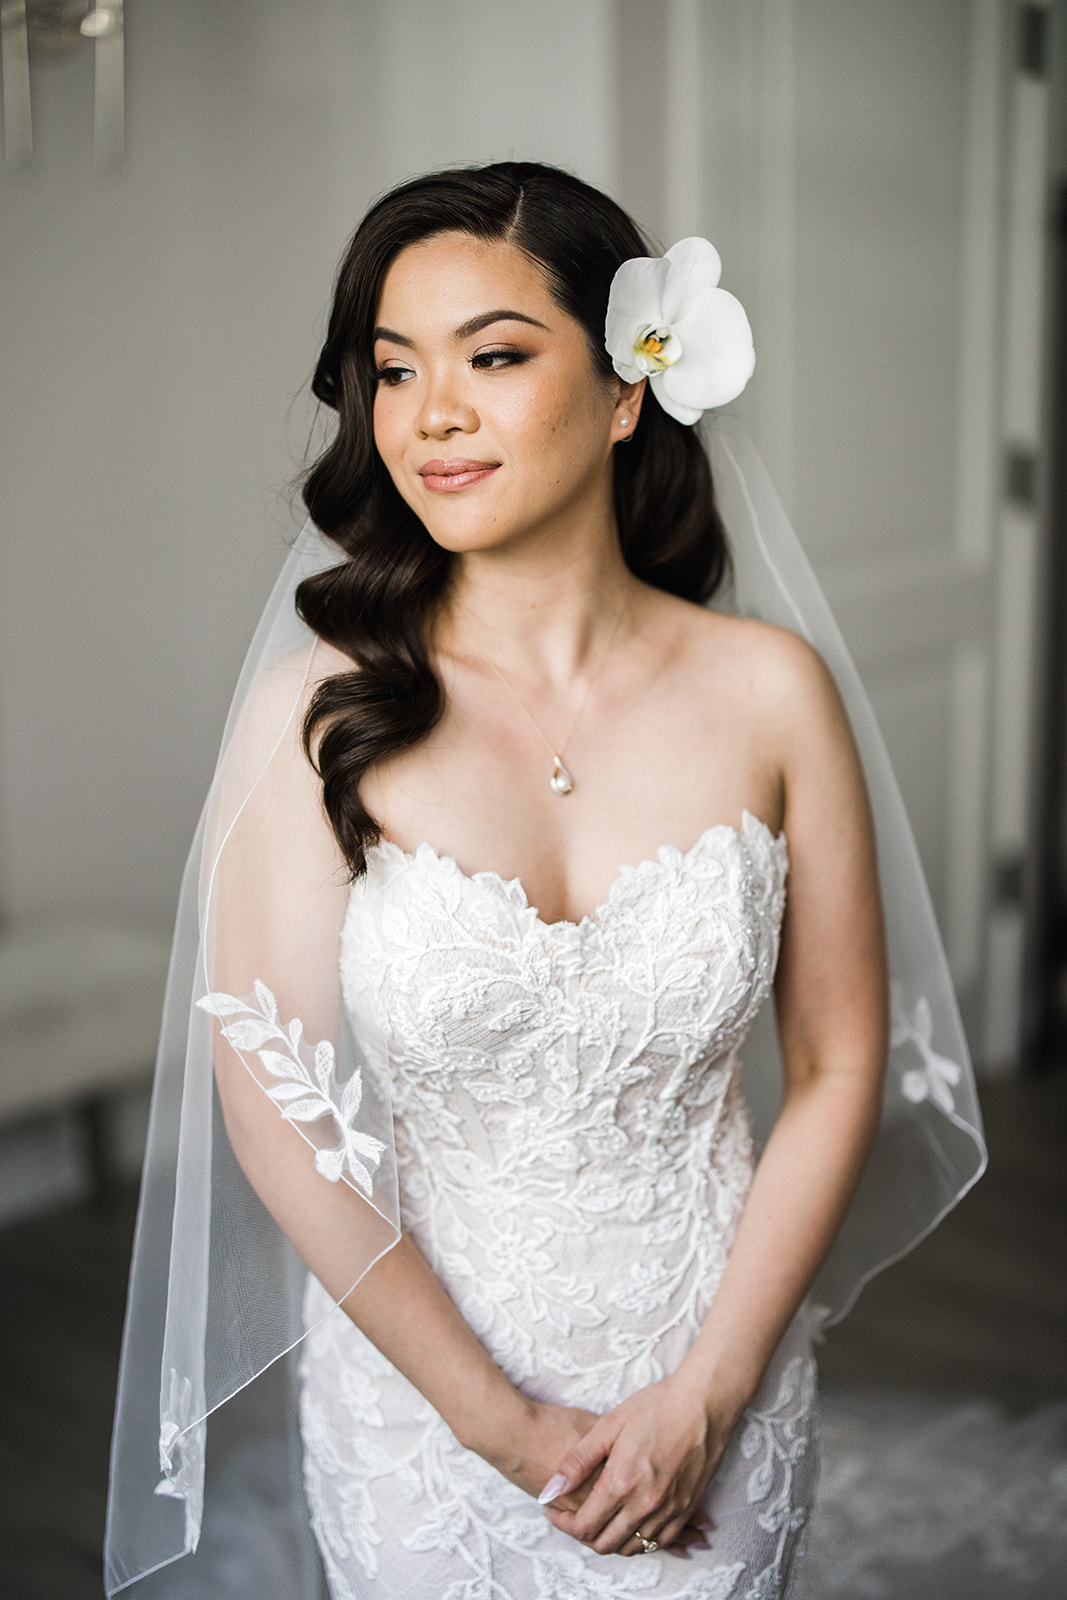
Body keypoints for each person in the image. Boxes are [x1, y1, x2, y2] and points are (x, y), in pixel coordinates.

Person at [105, 163, 986, 1600]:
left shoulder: (771, 695)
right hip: (424, 1413)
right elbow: (268, 1098)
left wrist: (712, 1392)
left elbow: (835, 1062)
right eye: (393, 372)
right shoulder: (316, 711)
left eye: (495, 358)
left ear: (629, 388)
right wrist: (490, 1421)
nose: (431, 414)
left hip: (718, 1375)